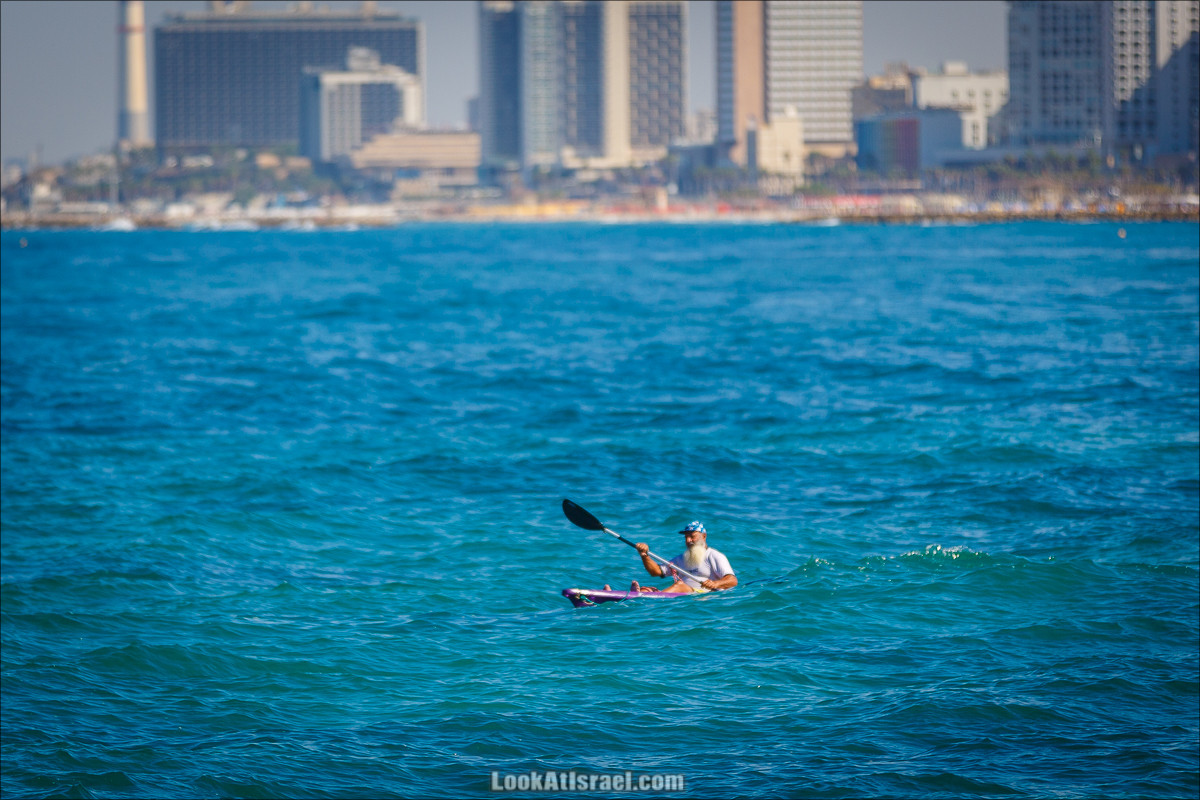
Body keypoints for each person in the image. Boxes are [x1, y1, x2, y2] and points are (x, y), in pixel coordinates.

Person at [629, 521, 737, 594]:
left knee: (680, 585)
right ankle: (639, 595)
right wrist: (644, 555)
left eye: (692, 536)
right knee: (645, 589)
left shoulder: (714, 556)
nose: (688, 540)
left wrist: (715, 583)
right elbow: (656, 572)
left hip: (704, 597)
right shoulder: (682, 558)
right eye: (686, 537)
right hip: (683, 599)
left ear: (704, 536)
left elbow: (732, 580)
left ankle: (655, 597)